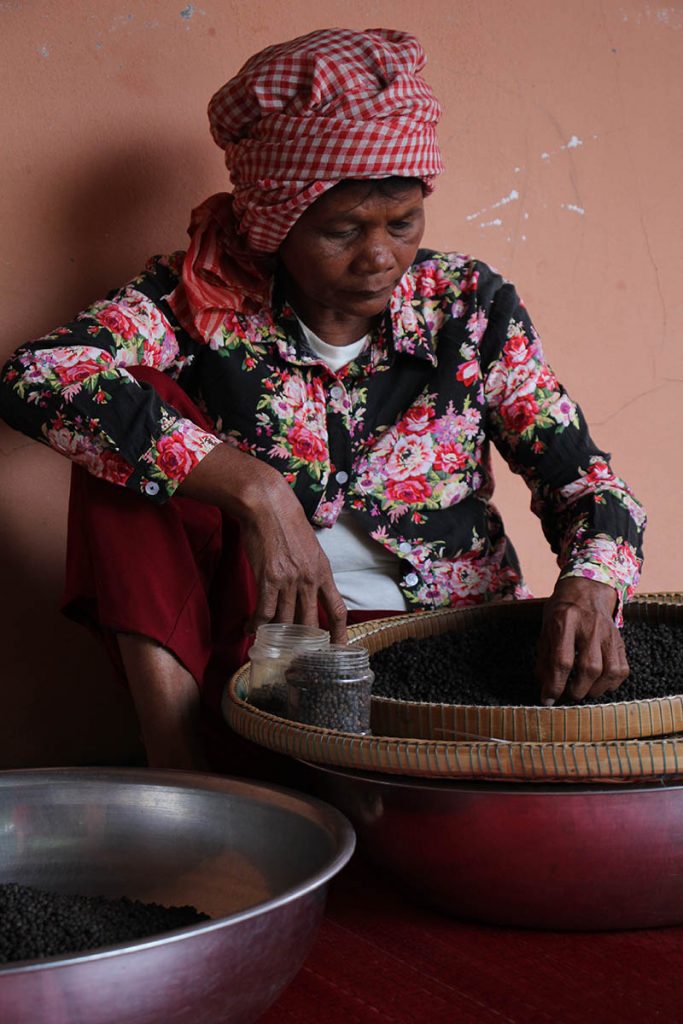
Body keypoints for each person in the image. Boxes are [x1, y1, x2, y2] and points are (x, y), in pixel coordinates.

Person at [0, 28, 645, 772]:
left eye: (402, 223)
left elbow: (583, 480)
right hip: (270, 649)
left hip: (444, 644)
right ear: (274, 225)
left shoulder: (468, 306)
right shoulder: (198, 297)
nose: (379, 257)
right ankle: (183, 771)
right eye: (341, 230)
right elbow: (38, 374)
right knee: (118, 419)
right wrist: (257, 491)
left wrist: (592, 585)